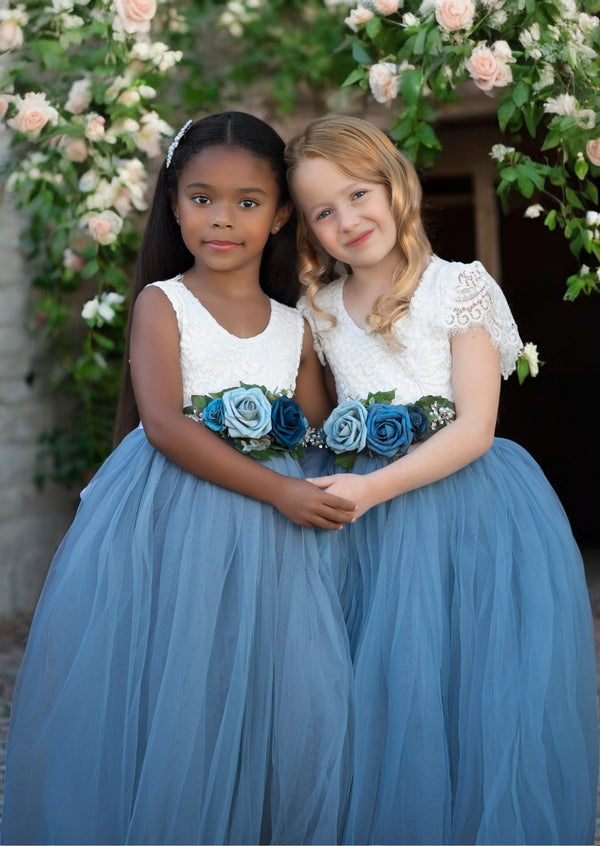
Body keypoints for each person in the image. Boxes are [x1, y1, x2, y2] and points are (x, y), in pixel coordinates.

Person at [0, 111, 357, 846]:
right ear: (173, 203)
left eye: (247, 202)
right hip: (180, 522)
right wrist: (281, 490)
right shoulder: (163, 305)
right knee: (183, 678)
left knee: (263, 684)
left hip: (272, 552)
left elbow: (323, 427)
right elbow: (164, 424)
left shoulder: (295, 325)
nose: (222, 219)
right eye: (201, 199)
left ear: (281, 213)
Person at [285, 114, 599, 845]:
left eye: (358, 194)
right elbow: (325, 421)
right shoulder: (320, 310)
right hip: (370, 537)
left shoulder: (458, 287)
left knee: (472, 683)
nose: (348, 220)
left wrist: (365, 489)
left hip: (468, 512)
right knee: (387, 693)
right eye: (323, 213)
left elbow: (474, 428)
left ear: (395, 184)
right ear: (307, 230)